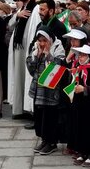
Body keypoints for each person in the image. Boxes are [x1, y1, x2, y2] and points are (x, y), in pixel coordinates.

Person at [27, 27, 66, 155]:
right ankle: (44, 140)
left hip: (51, 90)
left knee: (50, 117)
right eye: (40, 41)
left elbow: (59, 68)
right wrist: (36, 57)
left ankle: (52, 142)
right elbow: (32, 70)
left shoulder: (58, 48)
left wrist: (48, 54)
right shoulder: (36, 49)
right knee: (40, 117)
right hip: (39, 89)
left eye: (45, 40)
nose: (42, 43)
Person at [7, 0, 42, 118]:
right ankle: (19, 108)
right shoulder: (22, 9)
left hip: (27, 48)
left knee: (27, 78)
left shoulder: (36, 9)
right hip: (18, 48)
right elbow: (10, 25)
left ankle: (30, 110)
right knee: (18, 78)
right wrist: (17, 15)